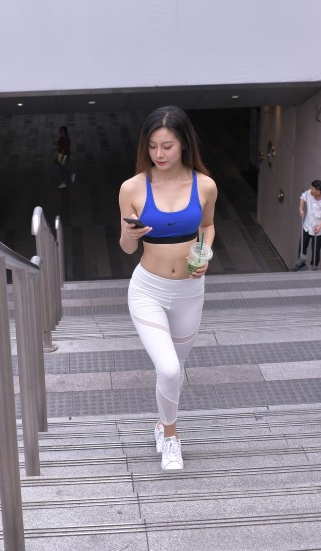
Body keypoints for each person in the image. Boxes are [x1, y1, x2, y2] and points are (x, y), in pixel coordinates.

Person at [118, 106, 218, 471]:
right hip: (148, 290)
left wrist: (206, 253)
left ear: (184, 144)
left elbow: (207, 226)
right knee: (170, 369)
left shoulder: (204, 185)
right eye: (152, 146)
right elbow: (126, 248)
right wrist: (130, 235)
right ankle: (171, 437)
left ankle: (162, 423)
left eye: (167, 146)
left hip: (190, 291)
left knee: (175, 368)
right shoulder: (132, 187)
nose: (158, 154)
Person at [292, 179, 321, 271]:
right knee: (302, 246)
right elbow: (303, 197)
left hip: (317, 230)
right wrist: (301, 208)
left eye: (312, 189)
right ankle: (300, 263)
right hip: (306, 226)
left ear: (318, 191)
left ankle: (313, 267)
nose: (310, 190)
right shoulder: (309, 193)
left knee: (315, 249)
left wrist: (319, 226)